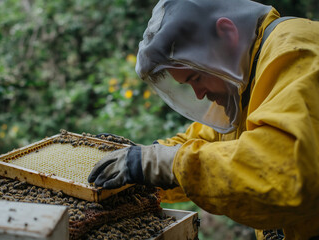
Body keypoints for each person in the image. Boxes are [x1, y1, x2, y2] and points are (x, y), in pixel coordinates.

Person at [88, 0, 319, 239]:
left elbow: (284, 173)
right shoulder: (248, 75)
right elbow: (212, 141)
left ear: (227, 34)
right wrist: (147, 158)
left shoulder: (297, 51)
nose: (198, 94)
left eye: (196, 77)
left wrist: (165, 163)